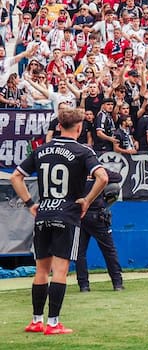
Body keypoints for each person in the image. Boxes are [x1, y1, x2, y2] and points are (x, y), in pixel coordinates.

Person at [11, 107, 109, 335]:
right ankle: (53, 323)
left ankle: (36, 320)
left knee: (41, 271)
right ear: (79, 127)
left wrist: (29, 203)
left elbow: (16, 176)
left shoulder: (42, 150)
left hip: (43, 213)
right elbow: (102, 177)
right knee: (61, 271)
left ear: (58, 127)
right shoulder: (83, 151)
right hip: (67, 214)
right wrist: (86, 200)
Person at [46, 113, 124, 293]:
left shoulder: (72, 170)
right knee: (109, 250)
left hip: (77, 214)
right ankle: (117, 283)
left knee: (79, 253)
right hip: (96, 213)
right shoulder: (98, 169)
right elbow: (116, 177)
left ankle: (84, 285)